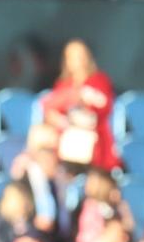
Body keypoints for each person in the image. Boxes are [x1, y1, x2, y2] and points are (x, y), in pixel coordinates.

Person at [43, 40, 118, 173]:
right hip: (66, 137)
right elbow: (51, 108)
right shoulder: (63, 84)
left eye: (80, 56)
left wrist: (85, 98)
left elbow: (104, 107)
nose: (77, 61)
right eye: (71, 57)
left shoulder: (99, 80)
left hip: (93, 137)